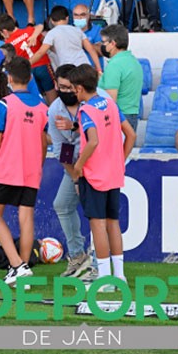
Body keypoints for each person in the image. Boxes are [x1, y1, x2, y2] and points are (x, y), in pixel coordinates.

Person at [0, 57, 48, 287]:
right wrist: (38, 166)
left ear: (9, 79)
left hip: (8, 169)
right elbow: (43, 142)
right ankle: (22, 269)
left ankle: (17, 265)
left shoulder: (5, 104)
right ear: (29, 78)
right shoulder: (42, 107)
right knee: (26, 217)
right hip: (31, 170)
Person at [69, 64, 136, 291]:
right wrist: (120, 159)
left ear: (79, 88)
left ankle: (104, 278)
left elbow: (93, 140)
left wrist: (78, 166)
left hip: (95, 174)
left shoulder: (86, 110)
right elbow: (131, 134)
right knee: (113, 223)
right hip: (113, 172)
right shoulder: (110, 103)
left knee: (97, 224)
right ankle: (119, 276)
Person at [47, 64, 105, 285]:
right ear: (56, 85)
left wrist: (74, 126)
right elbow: (61, 149)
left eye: (70, 87)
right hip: (75, 166)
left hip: (97, 164)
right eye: (61, 87)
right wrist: (75, 177)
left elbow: (98, 136)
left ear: (78, 86)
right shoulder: (54, 110)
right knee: (62, 204)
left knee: (97, 215)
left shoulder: (92, 102)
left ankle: (101, 265)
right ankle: (78, 255)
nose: (66, 91)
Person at [0, 14, 55, 103]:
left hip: (28, 71)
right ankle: (52, 115)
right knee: (51, 92)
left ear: (5, 31)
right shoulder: (31, 31)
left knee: (35, 96)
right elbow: (42, 33)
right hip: (43, 65)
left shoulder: (8, 44)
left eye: (1, 34)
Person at [96, 24, 143, 130]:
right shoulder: (133, 61)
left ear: (113, 43)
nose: (102, 46)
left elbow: (110, 100)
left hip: (117, 118)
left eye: (104, 42)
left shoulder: (115, 65)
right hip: (131, 115)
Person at [30, 6, 102, 72]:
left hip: (69, 70)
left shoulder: (52, 33)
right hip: (85, 67)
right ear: (67, 18)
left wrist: (27, 64)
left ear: (52, 20)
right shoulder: (77, 30)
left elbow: (40, 53)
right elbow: (91, 50)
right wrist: (98, 69)